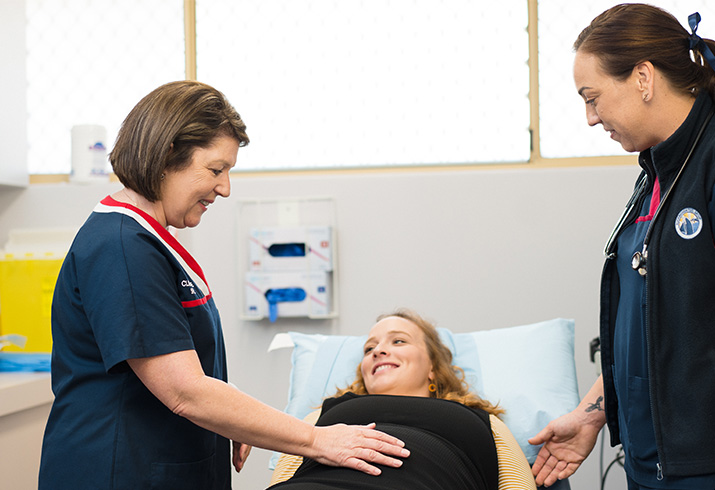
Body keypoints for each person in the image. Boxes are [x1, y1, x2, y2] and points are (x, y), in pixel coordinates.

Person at [38, 80, 409, 490]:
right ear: (165, 156)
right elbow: (184, 391)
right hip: (118, 471)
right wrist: (318, 440)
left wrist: (229, 408)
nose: (225, 188)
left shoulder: (148, 240)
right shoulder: (123, 247)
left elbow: (175, 363)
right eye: (216, 169)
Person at [528, 5, 715, 489]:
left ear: (643, 78)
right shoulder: (657, 173)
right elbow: (651, 320)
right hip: (650, 458)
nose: (590, 118)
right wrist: (593, 413)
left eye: (593, 98)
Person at [268, 309, 538, 490]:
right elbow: (282, 478)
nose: (379, 351)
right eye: (369, 348)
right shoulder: (327, 412)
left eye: (398, 341)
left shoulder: (478, 417)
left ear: (432, 365)